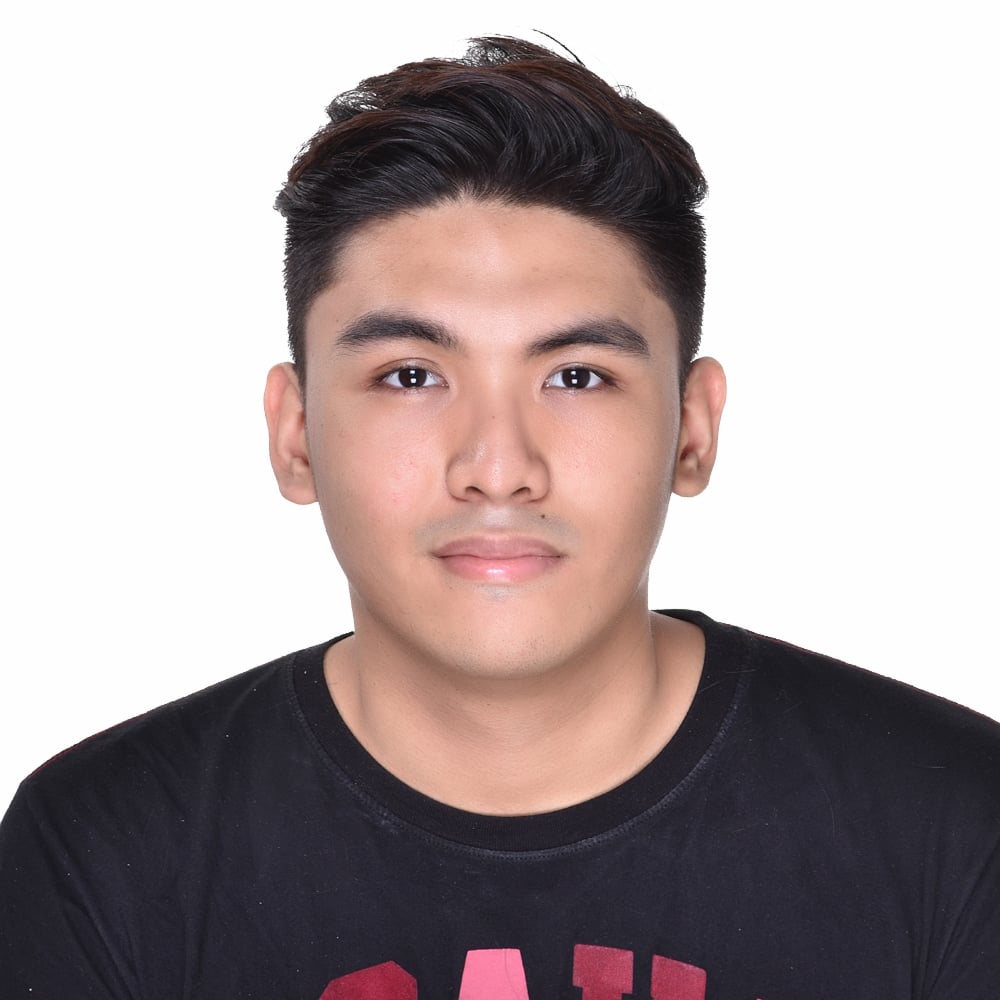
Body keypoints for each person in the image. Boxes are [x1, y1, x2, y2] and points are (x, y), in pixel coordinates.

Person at [1, 35, 997, 999]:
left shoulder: (956, 824)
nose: (498, 468)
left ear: (691, 430)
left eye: (577, 375)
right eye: (410, 375)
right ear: (296, 434)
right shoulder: (102, 849)